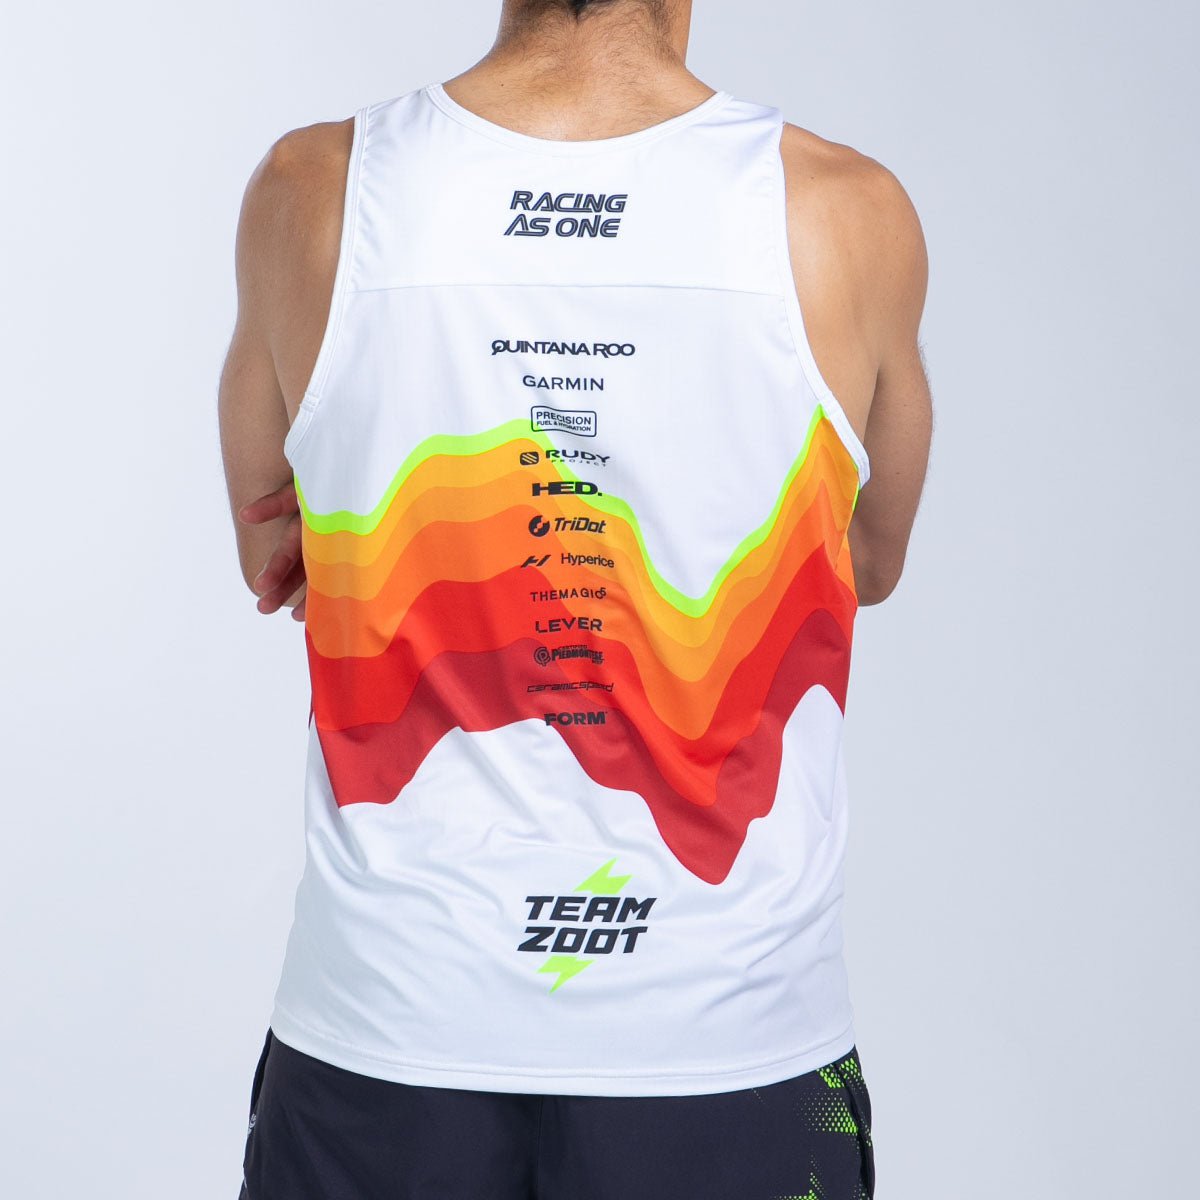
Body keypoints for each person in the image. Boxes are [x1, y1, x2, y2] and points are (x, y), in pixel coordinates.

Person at [218, 0, 932, 1196]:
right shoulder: (844, 211)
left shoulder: (313, 191)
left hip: (387, 1032)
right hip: (730, 1041)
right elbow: (866, 555)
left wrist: (390, 528)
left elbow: (270, 544)